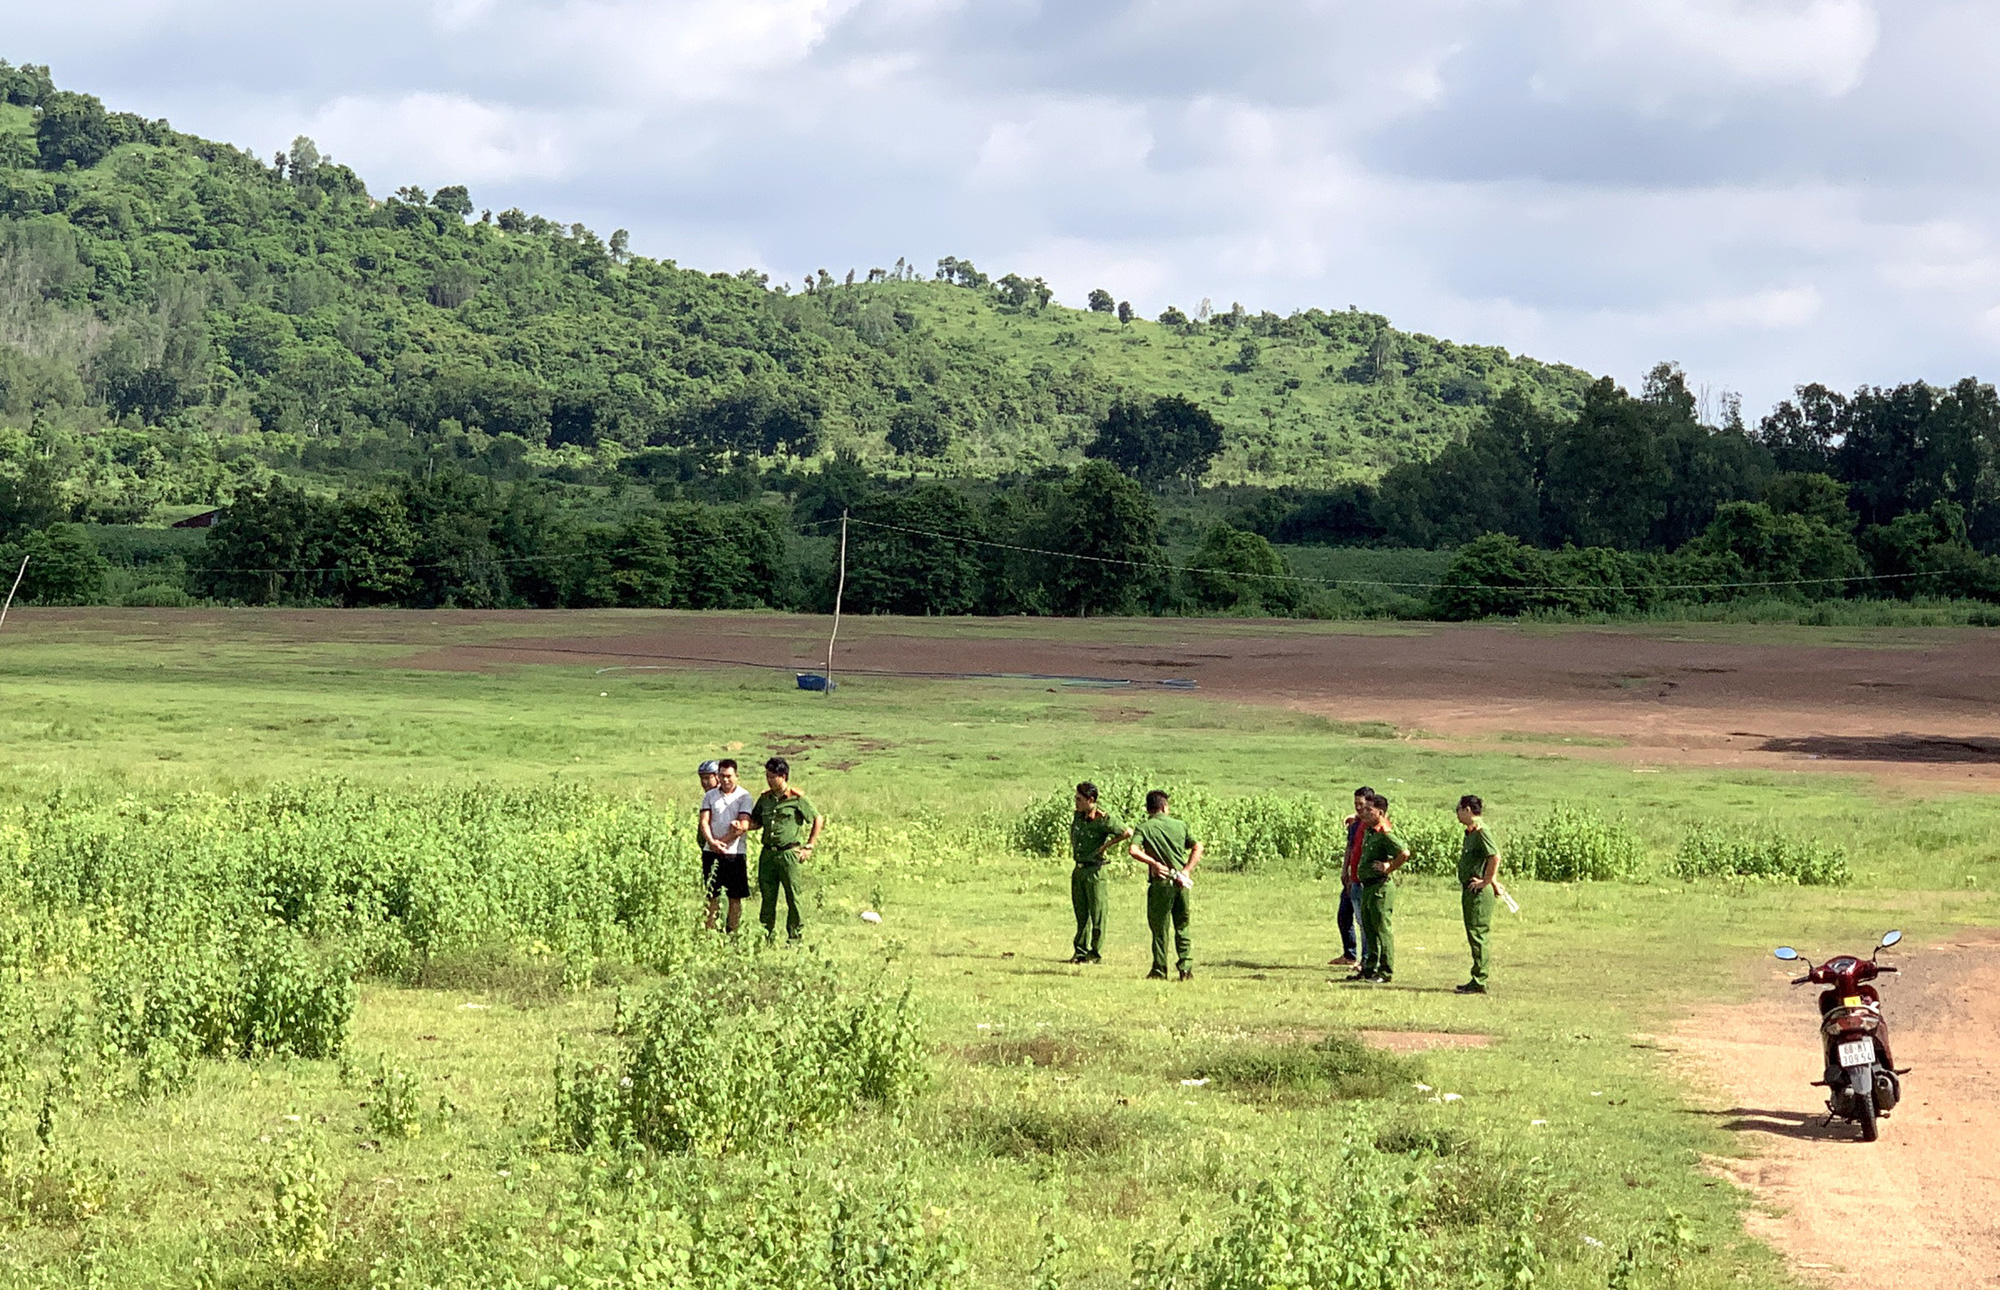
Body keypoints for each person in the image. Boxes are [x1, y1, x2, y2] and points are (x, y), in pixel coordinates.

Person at [746, 756, 821, 941]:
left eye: (773, 776)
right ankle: (765, 936)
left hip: (789, 853)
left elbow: (817, 818)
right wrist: (741, 826)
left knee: (793, 897)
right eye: (767, 776)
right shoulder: (765, 799)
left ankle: (795, 937)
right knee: (767, 897)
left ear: (784, 776)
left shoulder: (796, 799)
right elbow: (756, 822)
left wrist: (809, 846)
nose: (770, 780)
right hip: (768, 854)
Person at [1129, 789, 1202, 981]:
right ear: (1164, 807)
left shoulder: (1144, 828)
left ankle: (1160, 969)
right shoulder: (1180, 825)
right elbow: (1197, 846)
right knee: (1182, 926)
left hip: (1160, 883)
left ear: (1148, 808)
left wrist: (1153, 863)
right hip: (1180, 881)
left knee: (1160, 928)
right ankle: (1185, 968)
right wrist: (1187, 869)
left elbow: (1133, 849)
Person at [1067, 782, 1132, 964]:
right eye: (1076, 798)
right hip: (1079, 869)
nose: (1076, 802)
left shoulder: (1103, 818)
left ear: (1091, 800)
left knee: (1097, 913)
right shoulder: (1078, 816)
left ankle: (1094, 953)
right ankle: (1080, 951)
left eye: (1079, 799)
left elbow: (1127, 832)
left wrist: (1105, 846)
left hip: (1095, 871)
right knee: (1081, 914)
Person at [1351, 791, 1410, 984]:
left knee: (1381, 929)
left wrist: (1389, 867)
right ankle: (1370, 968)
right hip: (1367, 885)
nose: (1364, 813)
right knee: (1369, 928)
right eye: (1364, 809)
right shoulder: (1369, 830)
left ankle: (1385, 971)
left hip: (1380, 887)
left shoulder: (1384, 833)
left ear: (1381, 812)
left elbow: (1404, 852)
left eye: (1370, 810)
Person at [699, 758, 754, 933]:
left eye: (729, 776)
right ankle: (709, 932)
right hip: (711, 851)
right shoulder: (710, 796)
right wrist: (712, 842)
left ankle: (733, 932)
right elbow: (704, 822)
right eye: (722, 776)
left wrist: (721, 841)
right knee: (711, 895)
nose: (725, 780)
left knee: (735, 897)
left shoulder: (744, 797)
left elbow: (743, 825)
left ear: (736, 776)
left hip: (734, 852)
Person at [1455, 794, 1500, 994]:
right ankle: (1476, 976)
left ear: (1467, 810)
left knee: (1478, 933)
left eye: (1458, 809)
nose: (1456, 814)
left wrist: (1487, 881)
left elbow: (1494, 856)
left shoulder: (1482, 831)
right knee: (1473, 934)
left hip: (1478, 891)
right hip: (1470, 888)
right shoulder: (1471, 832)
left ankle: (1479, 979)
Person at [1330, 785, 1375, 968]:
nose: (1357, 807)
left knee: (1363, 921)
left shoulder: (1372, 825)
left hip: (1362, 879)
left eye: (1360, 804)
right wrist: (1344, 871)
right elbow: (1350, 847)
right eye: (1355, 804)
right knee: (1344, 915)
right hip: (1351, 876)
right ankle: (1349, 954)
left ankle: (1364, 959)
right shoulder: (1356, 823)